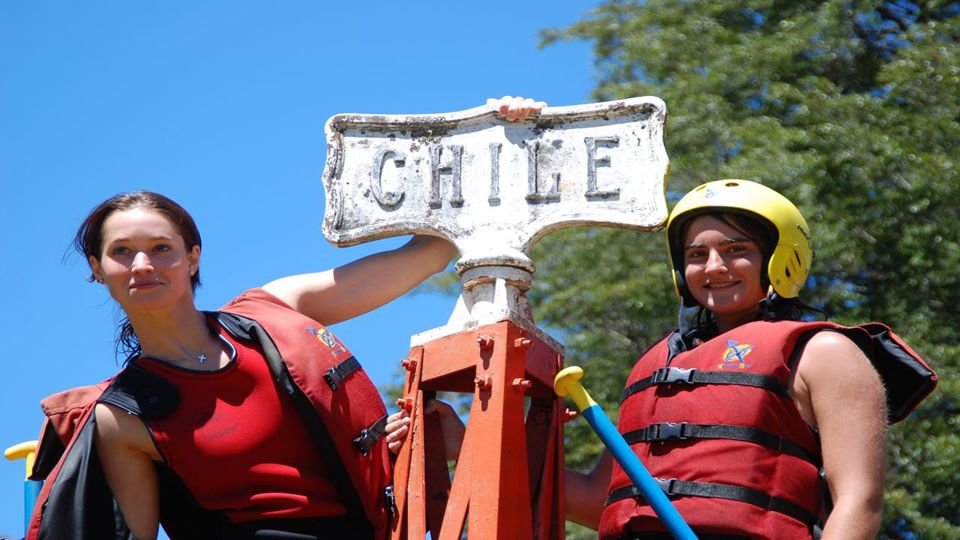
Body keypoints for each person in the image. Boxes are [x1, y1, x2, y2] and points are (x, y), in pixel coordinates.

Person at [386, 98, 937, 539]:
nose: (714, 267)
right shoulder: (659, 364)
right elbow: (596, 500)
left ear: (779, 257)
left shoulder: (825, 353)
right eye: (696, 255)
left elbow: (859, 502)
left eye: (736, 249)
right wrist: (463, 445)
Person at [27, 190, 457, 540]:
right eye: (121, 251)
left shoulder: (274, 312)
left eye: (161, 248)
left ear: (192, 258)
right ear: (98, 269)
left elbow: (431, 252)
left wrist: (513, 130)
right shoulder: (122, 416)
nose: (143, 265)